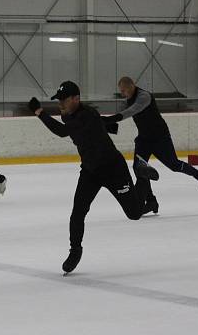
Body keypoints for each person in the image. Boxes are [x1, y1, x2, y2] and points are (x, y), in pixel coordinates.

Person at [28, 81, 160, 274]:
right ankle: (75, 251)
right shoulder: (72, 114)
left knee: (134, 213)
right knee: (78, 212)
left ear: (76, 99)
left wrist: (40, 112)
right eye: (59, 100)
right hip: (90, 171)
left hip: (113, 169)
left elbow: (63, 132)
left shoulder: (86, 115)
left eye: (64, 100)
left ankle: (141, 174)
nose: (60, 104)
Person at [102, 77, 198, 214]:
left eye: (124, 90)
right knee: (139, 169)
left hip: (160, 138)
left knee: (174, 165)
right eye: (121, 91)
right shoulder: (128, 99)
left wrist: (109, 119)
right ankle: (151, 201)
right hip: (143, 140)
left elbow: (132, 111)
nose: (123, 94)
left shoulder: (144, 96)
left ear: (132, 86)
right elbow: (122, 117)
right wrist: (103, 124)